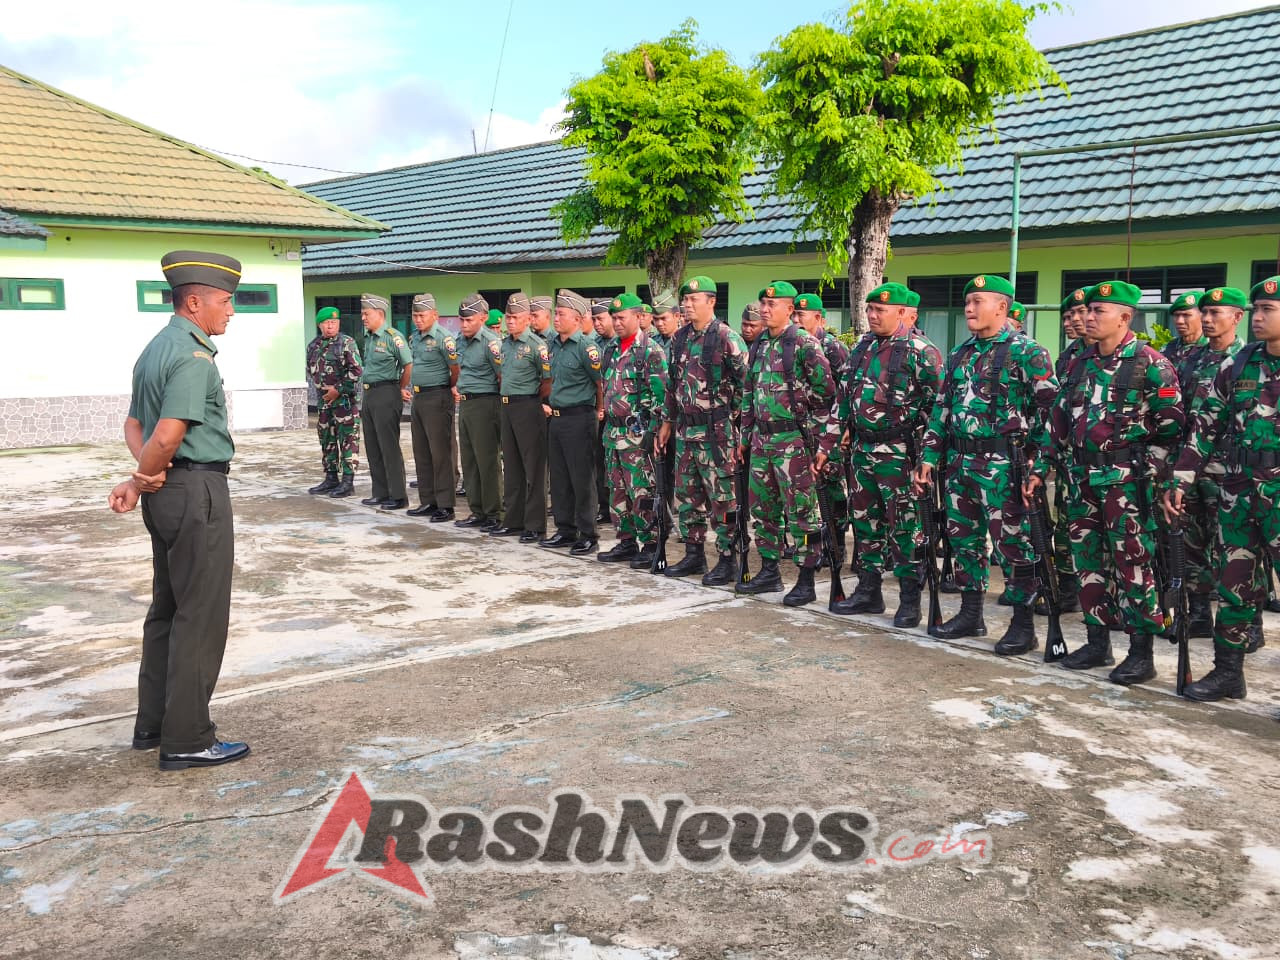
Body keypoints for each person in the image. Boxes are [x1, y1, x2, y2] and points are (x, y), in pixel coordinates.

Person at [107, 250, 249, 771]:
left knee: (167, 608)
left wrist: (141, 478)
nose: (231, 311)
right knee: (200, 614)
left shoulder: (154, 348)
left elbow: (133, 426)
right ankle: (188, 737)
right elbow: (167, 434)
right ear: (195, 302)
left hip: (167, 495)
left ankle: (153, 724)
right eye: (225, 301)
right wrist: (146, 473)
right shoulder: (193, 356)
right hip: (197, 492)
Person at [1028, 280, 1183, 683]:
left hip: (1127, 484)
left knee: (1132, 562)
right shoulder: (1079, 363)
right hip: (1081, 479)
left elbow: (1172, 430)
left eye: (1099, 311)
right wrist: (1040, 465)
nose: (1088, 318)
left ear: (1125, 317)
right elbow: (1058, 420)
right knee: (1087, 562)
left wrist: (1147, 473)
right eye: (1088, 310)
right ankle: (1097, 642)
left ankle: (1140, 651)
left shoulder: (1151, 364)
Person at [912, 275, 1058, 656]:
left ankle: (1023, 625)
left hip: (1005, 466)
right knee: (964, 542)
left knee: (1013, 546)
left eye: (978, 301)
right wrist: (928, 456)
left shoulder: (1028, 353)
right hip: (961, 462)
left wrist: (1038, 467)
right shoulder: (961, 352)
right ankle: (971, 613)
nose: (969, 308)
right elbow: (941, 410)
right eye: (967, 302)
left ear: (1003, 307)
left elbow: (1049, 416)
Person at [1164, 276, 1280, 700]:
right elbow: (1205, 424)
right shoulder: (1242, 362)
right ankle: (1228, 673)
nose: (1259, 317)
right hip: (1239, 488)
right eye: (1257, 310)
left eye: (1269, 310)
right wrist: (1182, 477)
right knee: (1235, 585)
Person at [829, 283, 942, 626]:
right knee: (866, 524)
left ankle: (909, 599)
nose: (873, 316)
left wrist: (929, 455)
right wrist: (831, 443)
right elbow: (844, 399)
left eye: (880, 310)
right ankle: (869, 590)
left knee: (905, 528)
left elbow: (939, 405)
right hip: (863, 450)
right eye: (870, 310)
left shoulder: (921, 351)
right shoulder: (863, 348)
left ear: (901, 313)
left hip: (900, 453)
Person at [737, 281, 837, 605]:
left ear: (789, 309)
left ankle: (806, 579)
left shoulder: (805, 344)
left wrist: (819, 446)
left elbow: (827, 395)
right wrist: (744, 437)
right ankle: (769, 571)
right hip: (762, 440)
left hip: (794, 441)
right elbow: (749, 393)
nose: (765, 310)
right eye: (762, 304)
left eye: (772, 305)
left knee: (802, 513)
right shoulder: (759, 345)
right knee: (762, 509)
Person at [656, 275, 747, 584]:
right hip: (684, 430)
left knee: (722, 496)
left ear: (711, 302)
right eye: (685, 299)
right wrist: (667, 422)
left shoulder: (726, 338)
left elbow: (746, 386)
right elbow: (672, 386)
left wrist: (736, 424)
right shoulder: (679, 338)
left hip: (717, 433)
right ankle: (694, 553)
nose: (687, 304)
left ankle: (727, 558)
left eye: (694, 300)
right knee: (687, 495)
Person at [597, 293, 669, 567]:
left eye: (621, 317)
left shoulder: (650, 351)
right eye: (613, 318)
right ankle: (626, 540)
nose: (616, 323)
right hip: (613, 435)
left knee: (641, 492)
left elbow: (662, 397)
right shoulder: (611, 350)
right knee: (617, 490)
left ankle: (650, 544)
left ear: (638, 317)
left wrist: (651, 432)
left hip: (637, 436)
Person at [542, 289, 605, 554]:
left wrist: (598, 410)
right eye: (555, 313)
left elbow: (599, 382)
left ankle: (588, 533)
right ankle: (565, 529)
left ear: (577, 319)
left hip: (580, 418)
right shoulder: (553, 345)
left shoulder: (586, 347)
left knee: (582, 478)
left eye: (561, 314)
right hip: (557, 418)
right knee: (560, 478)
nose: (556, 318)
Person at [794, 292, 851, 566]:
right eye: (794, 315)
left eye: (801, 316)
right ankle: (814, 545)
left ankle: (837, 544)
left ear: (818, 318)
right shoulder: (793, 345)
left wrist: (841, 428)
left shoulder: (833, 348)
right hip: (803, 430)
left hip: (829, 428)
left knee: (832, 487)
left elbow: (845, 390)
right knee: (807, 489)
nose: (796, 320)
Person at [491, 293, 551, 542]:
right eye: (508, 317)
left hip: (528, 407)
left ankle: (535, 524)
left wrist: (533, 401)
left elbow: (547, 381)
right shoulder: (504, 345)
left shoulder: (537, 346)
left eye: (515, 317)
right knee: (512, 466)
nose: (510, 321)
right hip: (506, 407)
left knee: (534, 469)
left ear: (527, 318)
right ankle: (513, 520)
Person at [406, 293, 460, 521]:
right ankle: (428, 500)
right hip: (418, 399)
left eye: (422, 315)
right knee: (422, 452)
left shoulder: (444, 338)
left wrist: (446, 388)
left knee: (441, 454)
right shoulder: (414, 339)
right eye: (415, 315)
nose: (418, 319)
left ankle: (446, 505)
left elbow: (455, 369)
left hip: (437, 397)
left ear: (434, 315)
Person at [358, 293, 412, 510]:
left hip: (387, 393)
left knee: (388, 446)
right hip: (369, 394)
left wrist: (399, 388)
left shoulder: (393, 337)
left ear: (379, 314)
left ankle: (398, 495)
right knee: (372, 445)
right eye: (362, 314)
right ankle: (380, 492)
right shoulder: (369, 338)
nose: (363, 317)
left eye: (366, 313)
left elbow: (408, 364)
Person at [454, 294, 503, 530]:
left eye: (469, 320)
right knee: (469, 460)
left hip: (486, 404)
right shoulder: (460, 341)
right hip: (465, 404)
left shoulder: (491, 343)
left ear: (482, 318)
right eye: (461, 320)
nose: (464, 325)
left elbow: (502, 376)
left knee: (487, 461)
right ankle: (477, 510)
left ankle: (494, 512)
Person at [305, 306, 363, 499]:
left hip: (343, 402)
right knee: (327, 440)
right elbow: (310, 369)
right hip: (324, 402)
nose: (331, 325)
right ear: (320, 324)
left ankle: (348, 481)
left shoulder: (346, 343)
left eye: (334, 322)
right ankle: (331, 477)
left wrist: (337, 389)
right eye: (327, 322)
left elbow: (356, 370)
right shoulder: (313, 346)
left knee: (348, 440)